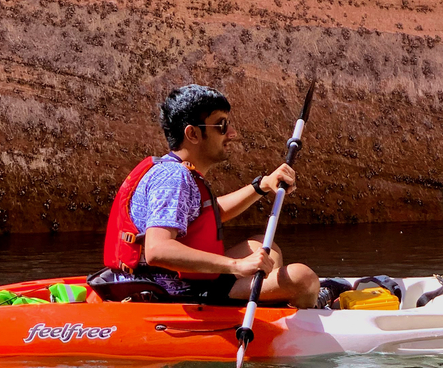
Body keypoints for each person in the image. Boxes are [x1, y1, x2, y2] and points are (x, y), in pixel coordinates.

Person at [99, 85, 320, 307]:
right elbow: (158, 250)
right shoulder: (174, 178)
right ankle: (292, 313)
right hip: (173, 291)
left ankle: (266, 307)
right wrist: (235, 265)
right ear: (193, 134)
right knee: (303, 278)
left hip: (188, 281)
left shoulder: (175, 170)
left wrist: (261, 186)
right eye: (222, 125)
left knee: (263, 245)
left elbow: (206, 215)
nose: (232, 133)